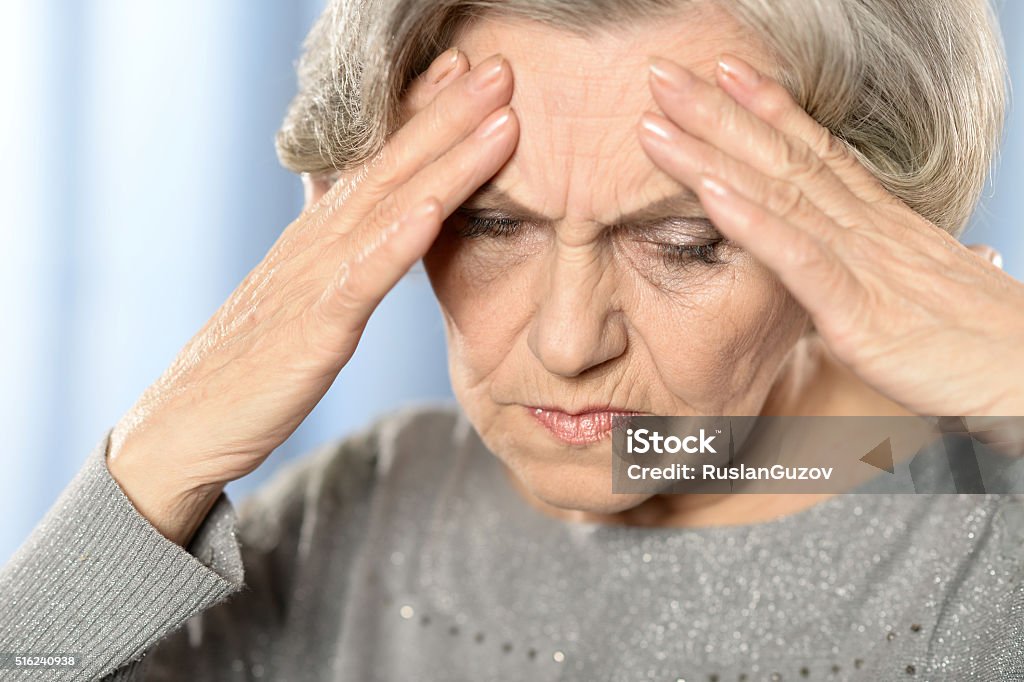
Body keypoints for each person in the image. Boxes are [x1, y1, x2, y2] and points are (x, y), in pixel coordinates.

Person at [2, 0, 1023, 679]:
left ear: (875, 227)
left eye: (685, 242)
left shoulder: (990, 547)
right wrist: (158, 456)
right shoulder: (354, 520)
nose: (571, 340)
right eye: (490, 226)